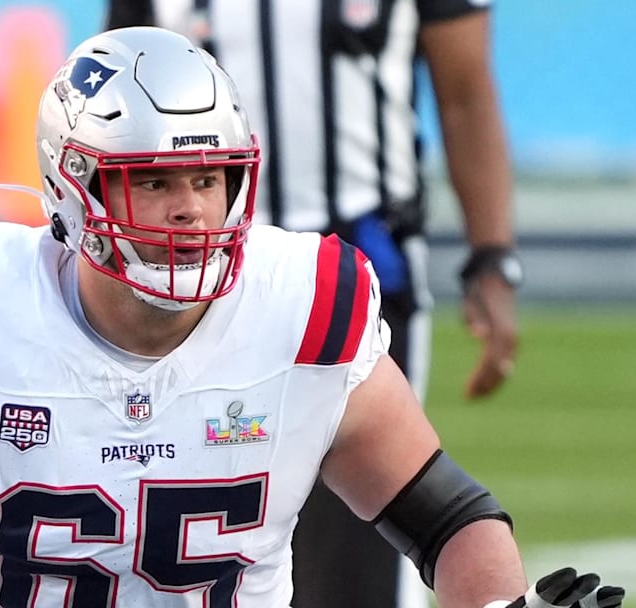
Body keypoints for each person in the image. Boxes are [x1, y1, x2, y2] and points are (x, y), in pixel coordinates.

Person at [0, 27, 621, 608]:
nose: (191, 208)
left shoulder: (304, 306)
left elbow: (452, 522)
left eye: (208, 177)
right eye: (152, 181)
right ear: (74, 187)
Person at [104, 2, 523, 606]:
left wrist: (493, 256)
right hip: (190, 282)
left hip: (355, 281)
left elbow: (465, 90)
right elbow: (112, 105)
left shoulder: (344, 297)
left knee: (359, 561)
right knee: (182, 542)